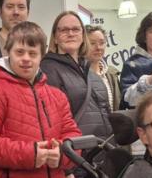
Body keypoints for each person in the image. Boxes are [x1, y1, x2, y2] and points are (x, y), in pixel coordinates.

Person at [0, 21, 82, 178]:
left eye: (33, 53)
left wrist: (63, 153)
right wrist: (30, 154)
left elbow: (73, 135)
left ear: (42, 55)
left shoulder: (57, 96)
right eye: (19, 52)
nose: (26, 58)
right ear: (8, 52)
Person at [40, 11, 112, 178]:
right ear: (55, 37)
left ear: (82, 35)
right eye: (64, 30)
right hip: (75, 160)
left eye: (75, 29)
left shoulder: (90, 71)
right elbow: (49, 123)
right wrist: (67, 170)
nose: (70, 33)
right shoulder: (48, 69)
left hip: (100, 159)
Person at [86, 25, 122, 111]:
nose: (98, 48)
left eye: (102, 43)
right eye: (92, 43)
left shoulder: (112, 73)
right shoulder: (78, 74)